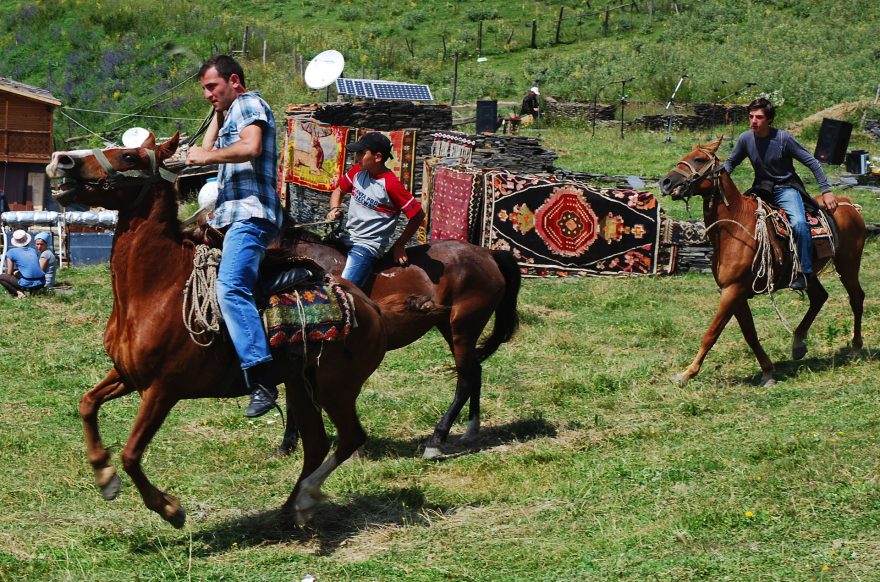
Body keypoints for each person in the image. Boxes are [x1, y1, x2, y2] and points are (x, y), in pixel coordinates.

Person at [185, 55, 282, 418]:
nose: (208, 94)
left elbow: (251, 146)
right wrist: (216, 113)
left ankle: (261, 377)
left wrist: (204, 156)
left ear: (235, 81)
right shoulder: (231, 109)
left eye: (213, 87)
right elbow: (206, 152)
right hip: (231, 216)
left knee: (229, 287)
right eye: (205, 90)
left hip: (250, 214)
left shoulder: (248, 103)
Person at [723, 97, 838, 291]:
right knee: (737, 220)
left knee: (800, 223)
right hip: (761, 189)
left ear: (769, 120)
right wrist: (716, 176)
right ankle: (736, 274)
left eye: (758, 117)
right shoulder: (745, 139)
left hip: (786, 189)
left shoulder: (783, 139)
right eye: (751, 116)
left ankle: (804, 271)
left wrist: (826, 191)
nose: (753, 121)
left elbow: (812, 162)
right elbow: (730, 163)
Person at [326, 132, 425, 290]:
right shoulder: (357, 171)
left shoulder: (391, 185)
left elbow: (418, 215)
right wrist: (334, 209)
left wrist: (399, 245)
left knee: (342, 292)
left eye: (361, 153)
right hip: (346, 237)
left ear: (377, 157)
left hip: (367, 246)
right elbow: (338, 191)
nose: (356, 157)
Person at [1, 229, 44, 298]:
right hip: (42, 282)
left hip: (28, 283)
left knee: (2, 277)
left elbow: (9, 272)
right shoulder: (33, 250)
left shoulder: (11, 252)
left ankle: (18, 293)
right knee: (18, 272)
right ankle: (33, 292)